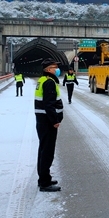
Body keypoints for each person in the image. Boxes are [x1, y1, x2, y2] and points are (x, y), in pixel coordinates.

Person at [34, 59, 64, 192]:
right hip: (47, 122)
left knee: (43, 150)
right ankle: (45, 183)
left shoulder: (42, 80)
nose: (57, 69)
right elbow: (49, 105)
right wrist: (54, 121)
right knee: (47, 152)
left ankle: (44, 177)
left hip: (42, 121)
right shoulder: (49, 83)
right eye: (54, 67)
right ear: (48, 69)